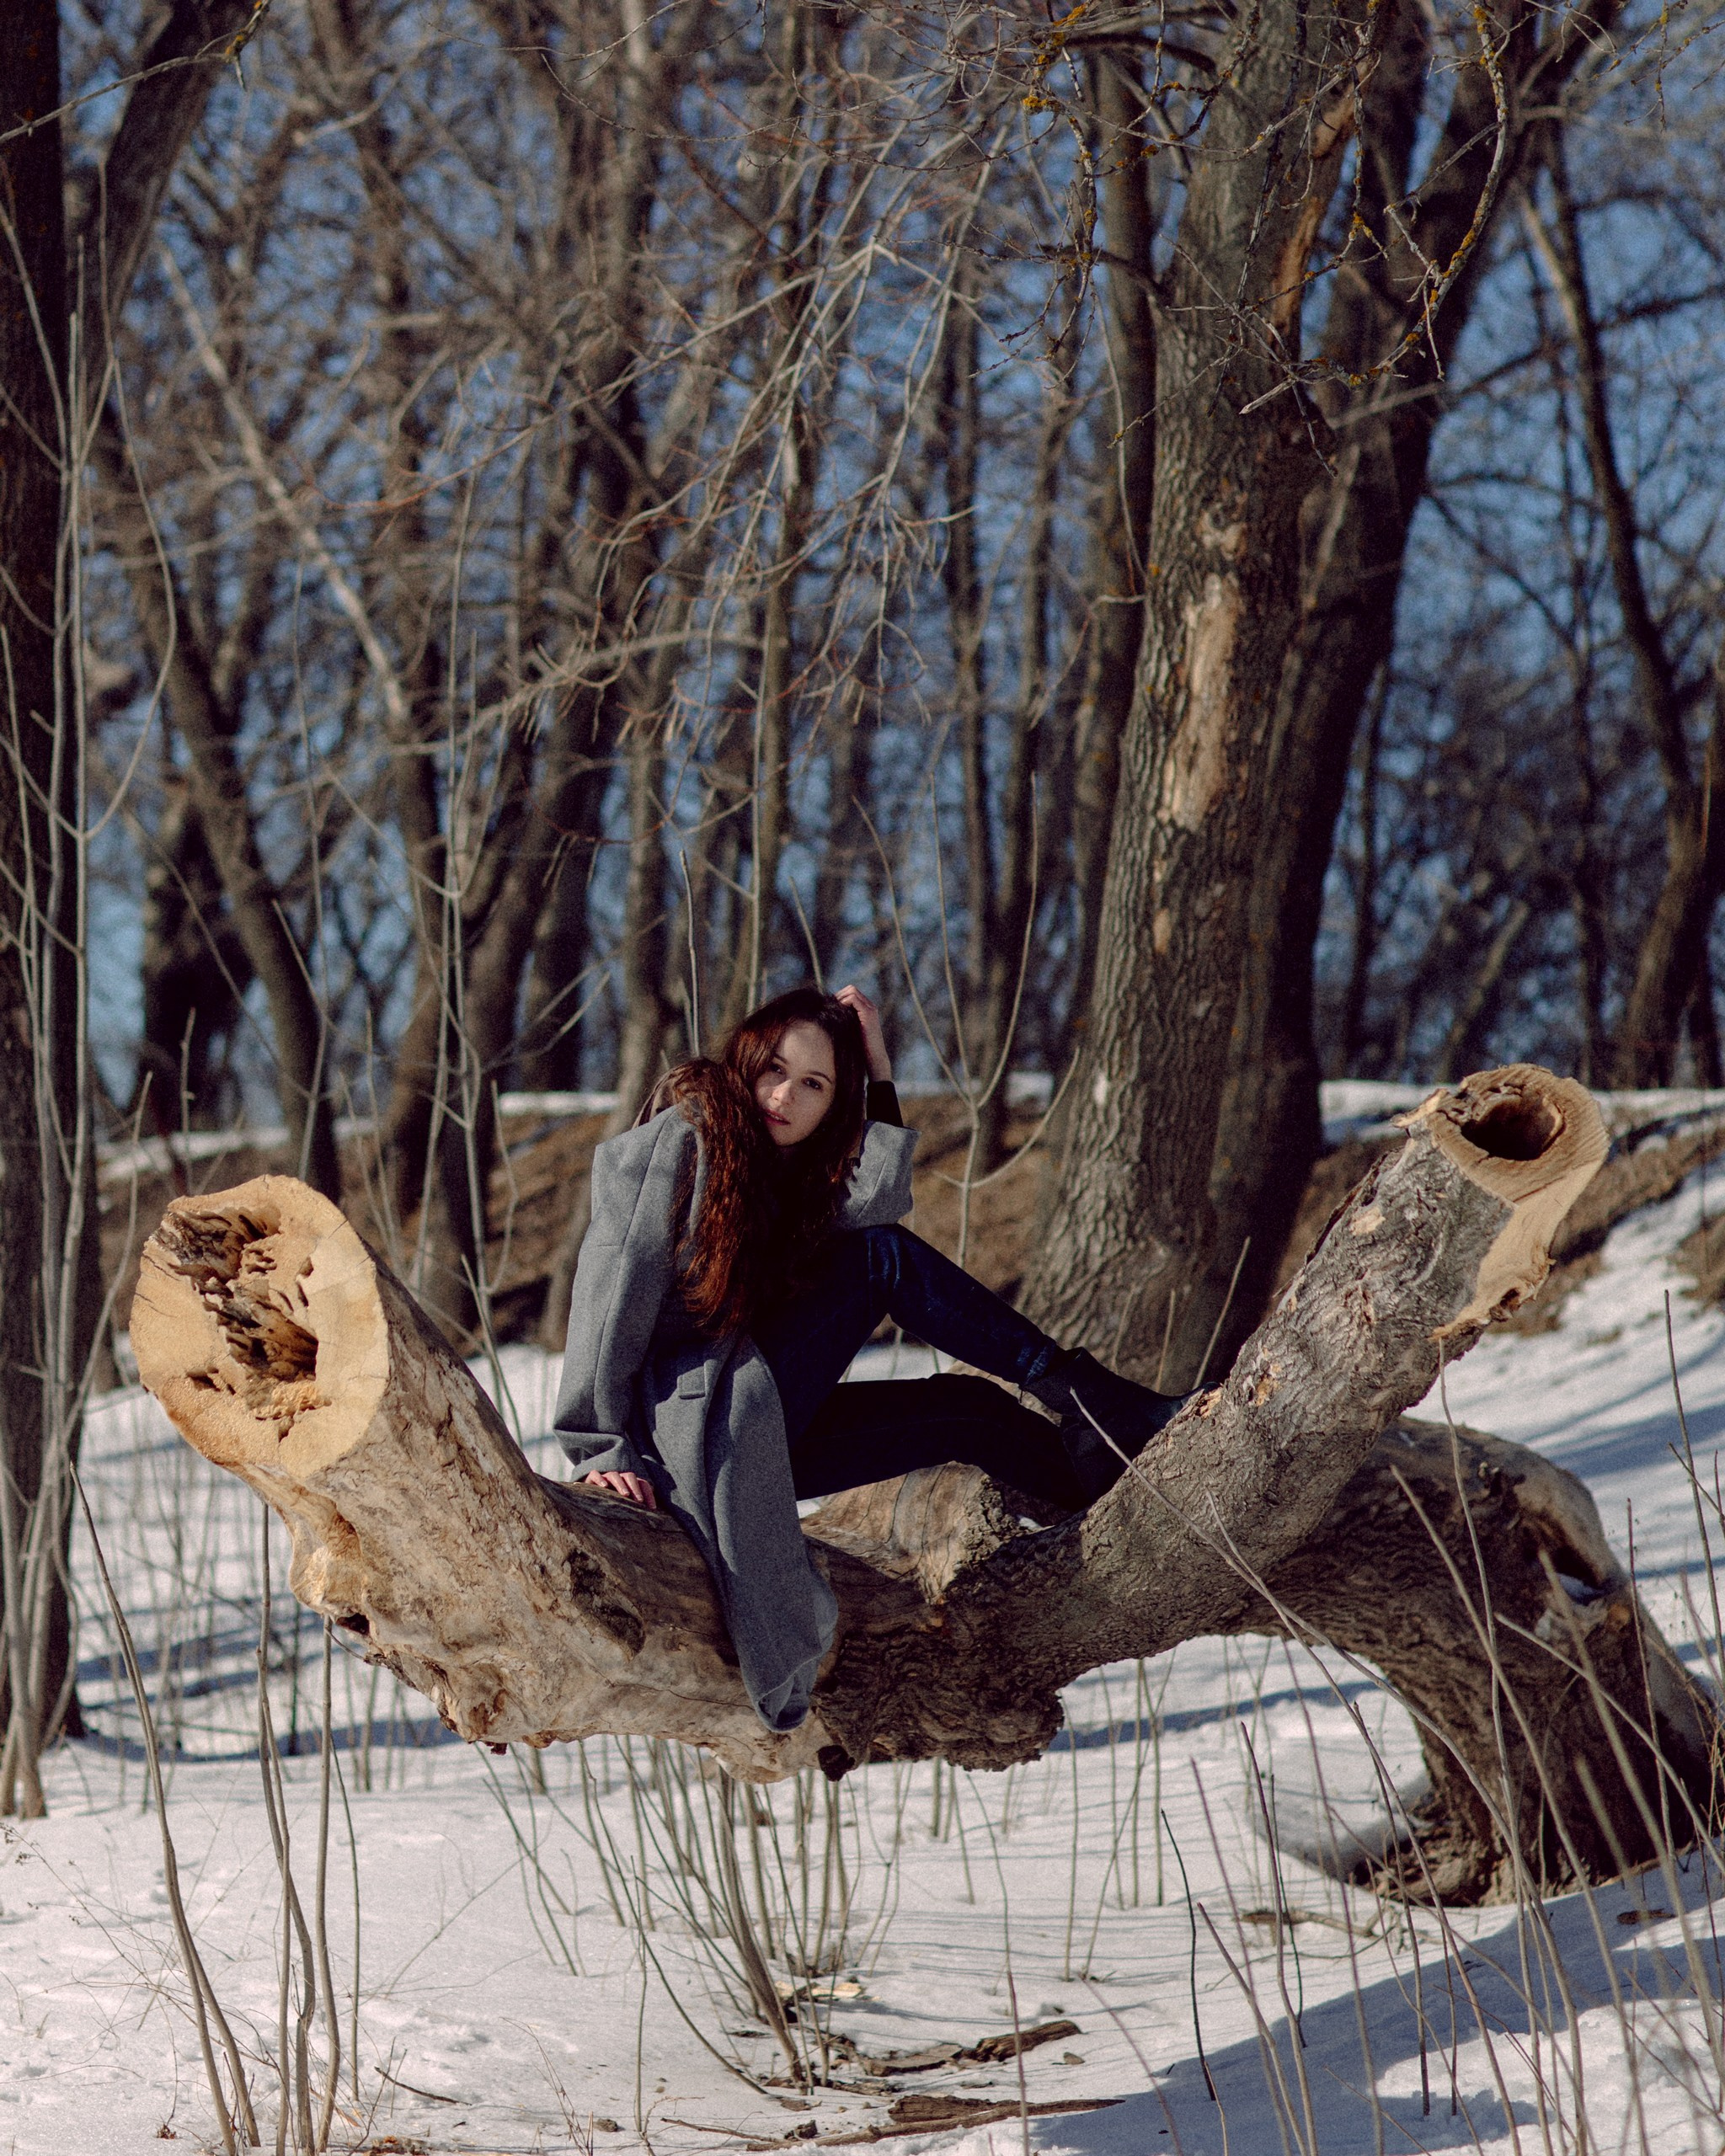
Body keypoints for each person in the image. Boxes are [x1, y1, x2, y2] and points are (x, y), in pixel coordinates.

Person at [552, 985, 1184, 1732]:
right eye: (774, 1069)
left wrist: (879, 1072)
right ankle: (1083, 1391)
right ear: (745, 1061)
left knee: (968, 1412)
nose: (784, 1095)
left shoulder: (781, 1168)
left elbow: (873, 1200)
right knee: (880, 1259)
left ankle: (1124, 1483)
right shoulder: (681, 1140)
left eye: (814, 1085)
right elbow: (610, 1291)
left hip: (754, 1426)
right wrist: (601, 1445)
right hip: (696, 1425)